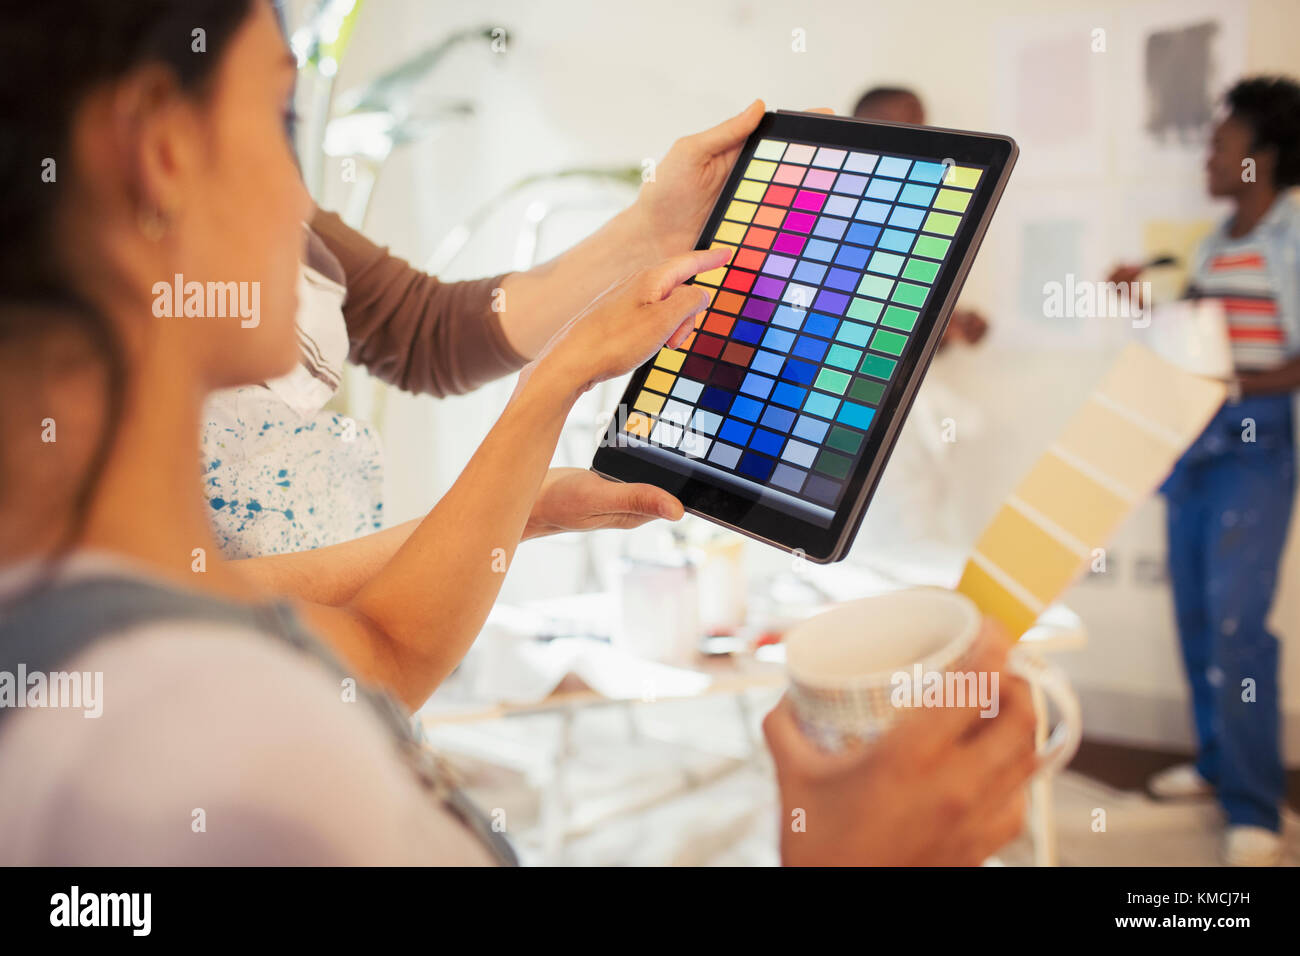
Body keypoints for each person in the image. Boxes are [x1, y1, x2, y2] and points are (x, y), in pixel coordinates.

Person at [0, 0, 1039, 866]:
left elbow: (383, 642)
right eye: (279, 117)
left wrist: (541, 439)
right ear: (160, 151)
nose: (301, 199)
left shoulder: (102, 616)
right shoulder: (239, 758)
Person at [1109, 76, 1300, 866]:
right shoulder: (1219, 241)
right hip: (1193, 441)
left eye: (1220, 144)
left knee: (1236, 625)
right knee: (1193, 613)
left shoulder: (1293, 237)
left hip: (1255, 443)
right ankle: (1219, 765)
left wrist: (1235, 387)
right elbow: (1195, 342)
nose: (1208, 158)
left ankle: (1255, 804)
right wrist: (1142, 306)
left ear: (1262, 157)